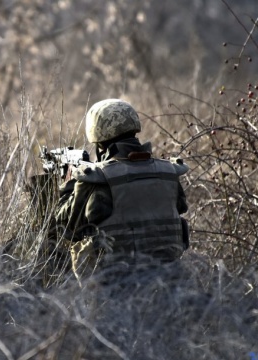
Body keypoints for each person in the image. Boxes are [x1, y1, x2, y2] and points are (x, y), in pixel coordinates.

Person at [55, 99, 189, 280]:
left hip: (115, 287)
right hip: (172, 279)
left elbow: (68, 229)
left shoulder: (96, 178)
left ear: (98, 139)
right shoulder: (169, 172)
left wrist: (69, 183)